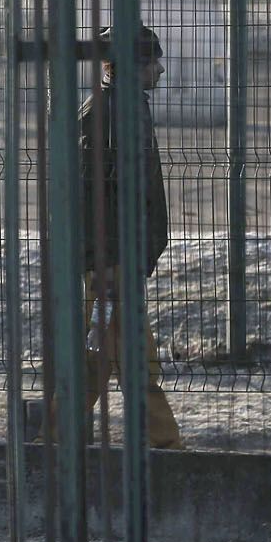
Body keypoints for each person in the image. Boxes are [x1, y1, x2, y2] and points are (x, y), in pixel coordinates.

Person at [78, 25, 184, 449]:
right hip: (113, 257)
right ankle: (163, 444)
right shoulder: (108, 113)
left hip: (118, 254)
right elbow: (97, 197)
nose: (160, 69)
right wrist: (106, 261)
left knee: (96, 355)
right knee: (137, 356)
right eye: (152, 61)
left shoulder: (119, 108)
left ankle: (55, 433)